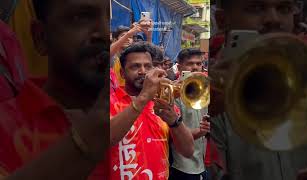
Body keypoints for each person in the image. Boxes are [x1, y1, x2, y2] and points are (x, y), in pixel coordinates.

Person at [0, 0, 115, 179]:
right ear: (41, 37)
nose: (106, 34)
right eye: (81, 17)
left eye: (109, 19)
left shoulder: (126, 113)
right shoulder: (5, 127)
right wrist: (84, 142)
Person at [210, 0, 307, 180]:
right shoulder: (211, 94)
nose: (273, 19)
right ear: (222, 20)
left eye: (284, 8)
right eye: (256, 8)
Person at [110, 41, 195, 180]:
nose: (143, 71)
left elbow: (188, 151)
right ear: (122, 73)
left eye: (148, 66)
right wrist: (144, 97)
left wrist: (175, 122)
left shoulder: (162, 102)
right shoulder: (110, 102)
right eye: (135, 66)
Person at [169, 48, 210, 180]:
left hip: (203, 162)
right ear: (179, 66)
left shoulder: (206, 89)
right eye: (190, 64)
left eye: (198, 64)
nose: (195, 67)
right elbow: (171, 135)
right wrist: (201, 131)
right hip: (183, 165)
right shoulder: (171, 93)